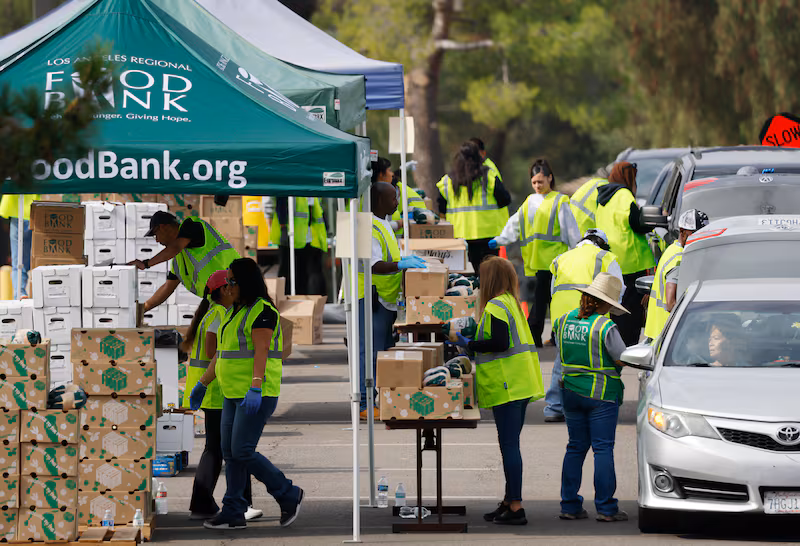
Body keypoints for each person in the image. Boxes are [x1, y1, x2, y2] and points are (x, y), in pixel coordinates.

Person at [190, 258, 303, 530]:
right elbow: (222, 353)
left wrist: (255, 386)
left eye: (232, 281)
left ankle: (288, 493)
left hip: (255, 394)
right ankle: (234, 510)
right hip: (231, 393)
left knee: (242, 450)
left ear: (245, 283)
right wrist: (203, 383)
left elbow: (261, 350)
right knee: (230, 453)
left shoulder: (262, 311)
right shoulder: (234, 311)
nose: (227, 286)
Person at [451, 256, 544, 526]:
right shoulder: (511, 303)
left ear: (490, 279)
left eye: (481, 277)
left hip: (509, 385)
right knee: (509, 445)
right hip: (520, 382)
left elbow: (499, 342)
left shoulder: (495, 305)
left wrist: (466, 341)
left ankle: (516, 506)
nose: (478, 283)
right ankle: (508, 501)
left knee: (509, 446)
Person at [182, 271, 261, 522]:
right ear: (224, 291)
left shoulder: (210, 313)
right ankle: (240, 504)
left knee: (219, 449)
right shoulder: (219, 315)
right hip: (218, 391)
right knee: (232, 449)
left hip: (211, 391)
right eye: (232, 286)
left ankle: (204, 502)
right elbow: (212, 352)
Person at [554, 272, 629, 522]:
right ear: (606, 303)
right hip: (601, 395)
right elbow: (622, 358)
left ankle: (569, 505)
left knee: (575, 447)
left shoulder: (563, 321)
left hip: (570, 392)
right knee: (603, 449)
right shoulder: (605, 326)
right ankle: (606, 508)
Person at [489, 159, 581, 347]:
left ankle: (537, 335)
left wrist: (578, 250)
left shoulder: (559, 201)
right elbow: (514, 224)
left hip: (555, 262)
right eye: (534, 182)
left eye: (541, 181)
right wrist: (500, 240)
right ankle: (545, 336)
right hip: (536, 261)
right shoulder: (529, 202)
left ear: (550, 178)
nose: (537, 186)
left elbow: (570, 230)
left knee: (547, 300)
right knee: (545, 300)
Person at [358, 183, 427, 418]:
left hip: (384, 298)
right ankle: (364, 404)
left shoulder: (382, 223)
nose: (397, 202)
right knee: (369, 352)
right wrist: (400, 264)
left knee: (382, 351)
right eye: (393, 198)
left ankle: (380, 399)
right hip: (369, 296)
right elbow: (373, 264)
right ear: (378, 200)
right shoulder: (367, 226)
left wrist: (403, 260)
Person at [543, 228, 624, 422]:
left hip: (561, 315)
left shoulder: (561, 257)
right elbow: (618, 288)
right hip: (591, 314)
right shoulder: (606, 257)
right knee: (594, 359)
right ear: (602, 243)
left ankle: (554, 407)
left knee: (563, 359)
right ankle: (592, 401)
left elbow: (553, 288)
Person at [595, 161, 655, 345]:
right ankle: (628, 348)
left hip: (612, 261)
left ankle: (617, 346)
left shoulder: (603, 198)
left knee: (616, 308)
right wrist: (651, 221)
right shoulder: (623, 194)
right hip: (633, 262)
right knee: (632, 311)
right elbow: (637, 223)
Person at [133, 211, 240, 311]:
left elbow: (174, 248)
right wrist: (143, 309)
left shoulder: (191, 225)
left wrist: (145, 264)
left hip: (238, 287)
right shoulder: (179, 260)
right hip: (224, 300)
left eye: (156, 235)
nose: (157, 240)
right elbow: (167, 288)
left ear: (163, 227)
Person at [436, 141, 511, 274]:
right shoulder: (488, 176)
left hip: (460, 236)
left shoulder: (448, 180)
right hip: (488, 236)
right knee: (489, 275)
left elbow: (441, 206)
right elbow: (505, 199)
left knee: (465, 277)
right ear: (478, 156)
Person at [644, 209, 709, 341]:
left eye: (704, 234)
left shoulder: (673, 249)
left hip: (659, 332)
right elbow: (670, 303)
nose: (700, 238)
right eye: (695, 234)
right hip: (667, 336)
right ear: (682, 232)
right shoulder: (679, 259)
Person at [269, 197, 327, 296]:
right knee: (289, 274)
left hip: (305, 237)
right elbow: (280, 203)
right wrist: (283, 228)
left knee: (301, 275)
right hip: (292, 236)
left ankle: (301, 303)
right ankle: (286, 301)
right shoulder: (294, 185)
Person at [373, 156, 426, 237]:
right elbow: (378, 226)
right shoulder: (379, 196)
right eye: (389, 171)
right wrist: (400, 223)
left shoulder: (382, 192)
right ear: (381, 175)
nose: (392, 174)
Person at [0, 195, 38, 297]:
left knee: (18, 259)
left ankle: (19, 292)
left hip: (17, 211)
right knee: (24, 258)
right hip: (31, 210)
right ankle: (21, 292)